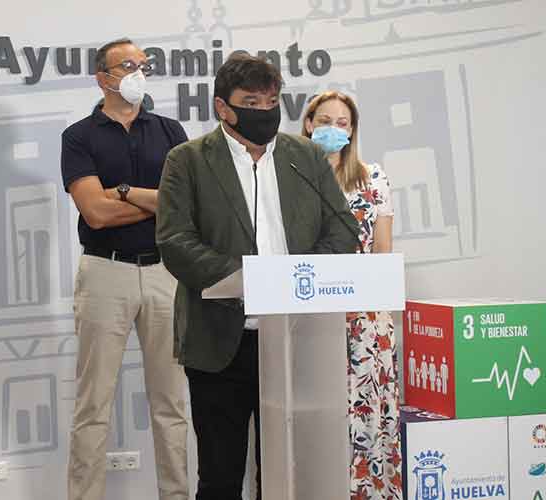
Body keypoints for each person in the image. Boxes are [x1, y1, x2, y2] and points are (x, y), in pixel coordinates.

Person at [156, 55, 358, 500]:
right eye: (251, 101)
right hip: (220, 341)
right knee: (221, 476)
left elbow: (343, 231)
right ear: (222, 108)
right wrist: (251, 280)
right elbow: (175, 242)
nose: (265, 110)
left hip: (296, 340)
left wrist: (294, 279)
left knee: (296, 471)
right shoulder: (186, 160)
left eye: (272, 100)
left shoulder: (304, 156)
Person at [61, 38, 189, 500]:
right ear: (103, 77)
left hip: (165, 275)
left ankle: (176, 494)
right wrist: (155, 200)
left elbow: (185, 205)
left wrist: (122, 192)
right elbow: (95, 213)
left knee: (171, 403)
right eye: (127, 65)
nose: (138, 71)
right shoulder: (79, 136)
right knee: (93, 403)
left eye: (143, 64)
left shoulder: (170, 131)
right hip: (104, 273)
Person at [302, 90, 401, 500]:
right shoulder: (290, 176)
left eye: (342, 123)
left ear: (353, 130)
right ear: (308, 123)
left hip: (364, 320)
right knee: (318, 416)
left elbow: (382, 253)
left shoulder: (373, 177)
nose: (332, 129)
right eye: (324, 120)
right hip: (309, 316)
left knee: (366, 418)